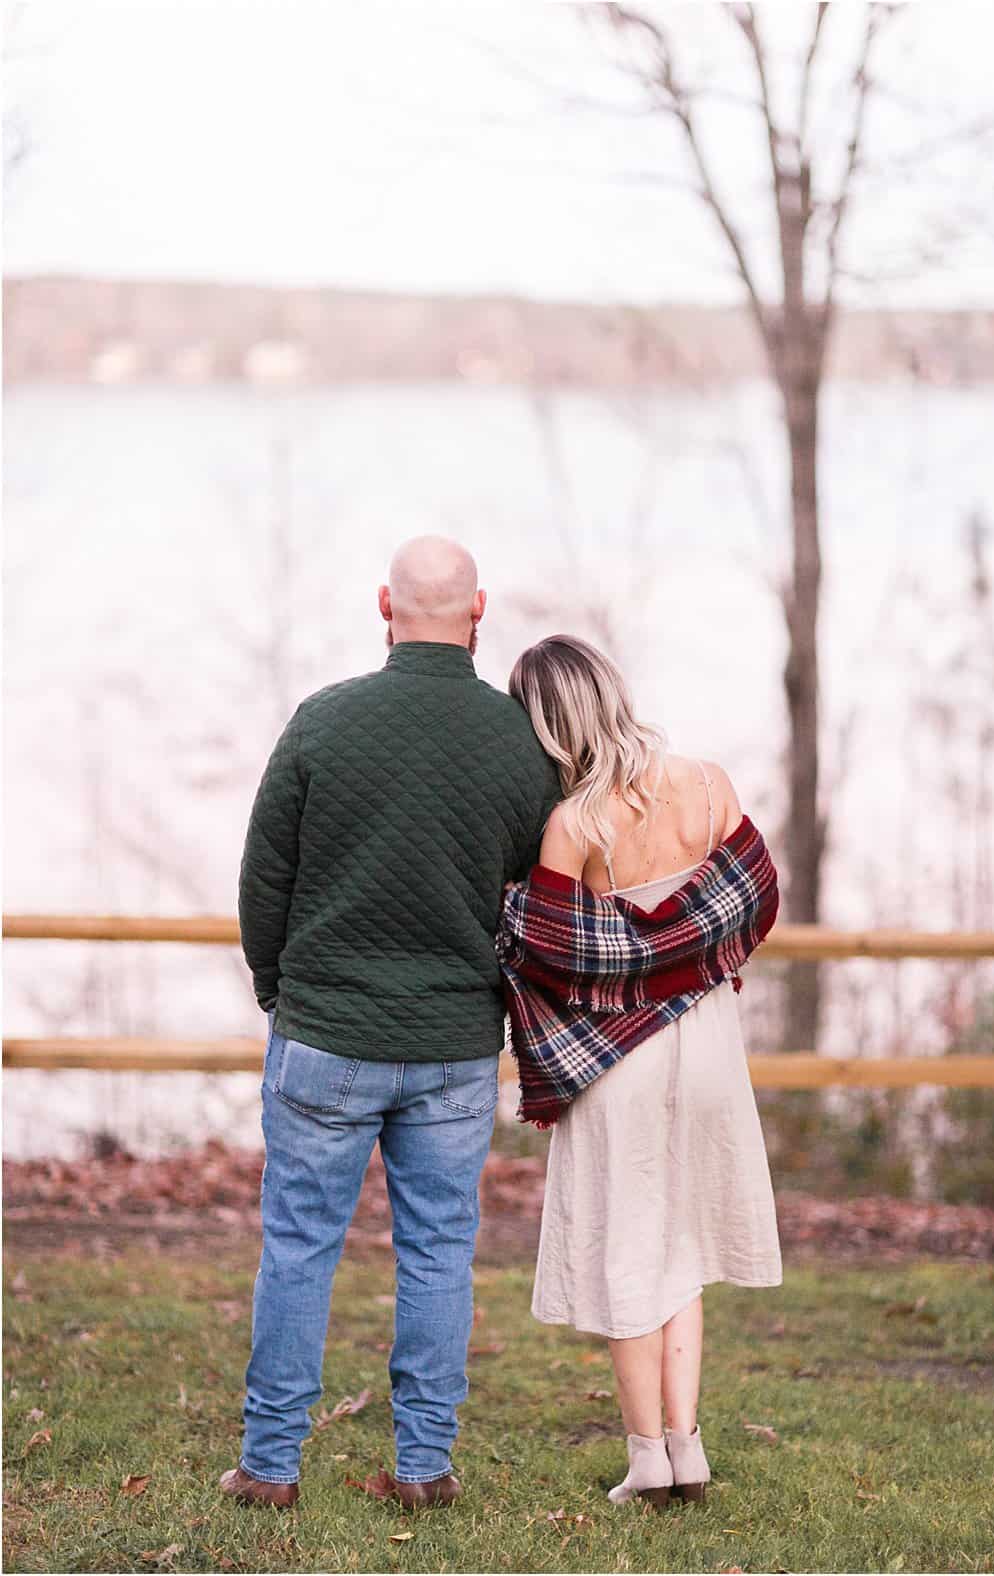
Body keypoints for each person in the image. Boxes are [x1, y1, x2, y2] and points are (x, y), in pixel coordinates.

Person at [220, 537, 561, 1511]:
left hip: (325, 1034)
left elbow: (263, 880)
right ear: (477, 610)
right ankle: (423, 1467)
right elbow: (538, 897)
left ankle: (270, 1466)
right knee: (439, 1250)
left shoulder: (323, 723)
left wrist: (277, 991)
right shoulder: (517, 743)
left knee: (296, 1245)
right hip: (453, 1046)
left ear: (385, 606)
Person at [497, 633, 782, 1509]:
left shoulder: (572, 825)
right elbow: (756, 897)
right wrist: (679, 960)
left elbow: (552, 952)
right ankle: (688, 1447)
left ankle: (648, 1458)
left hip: (616, 1061)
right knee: (681, 1248)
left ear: (546, 729)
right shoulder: (707, 784)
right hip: (707, 1047)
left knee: (628, 1252)